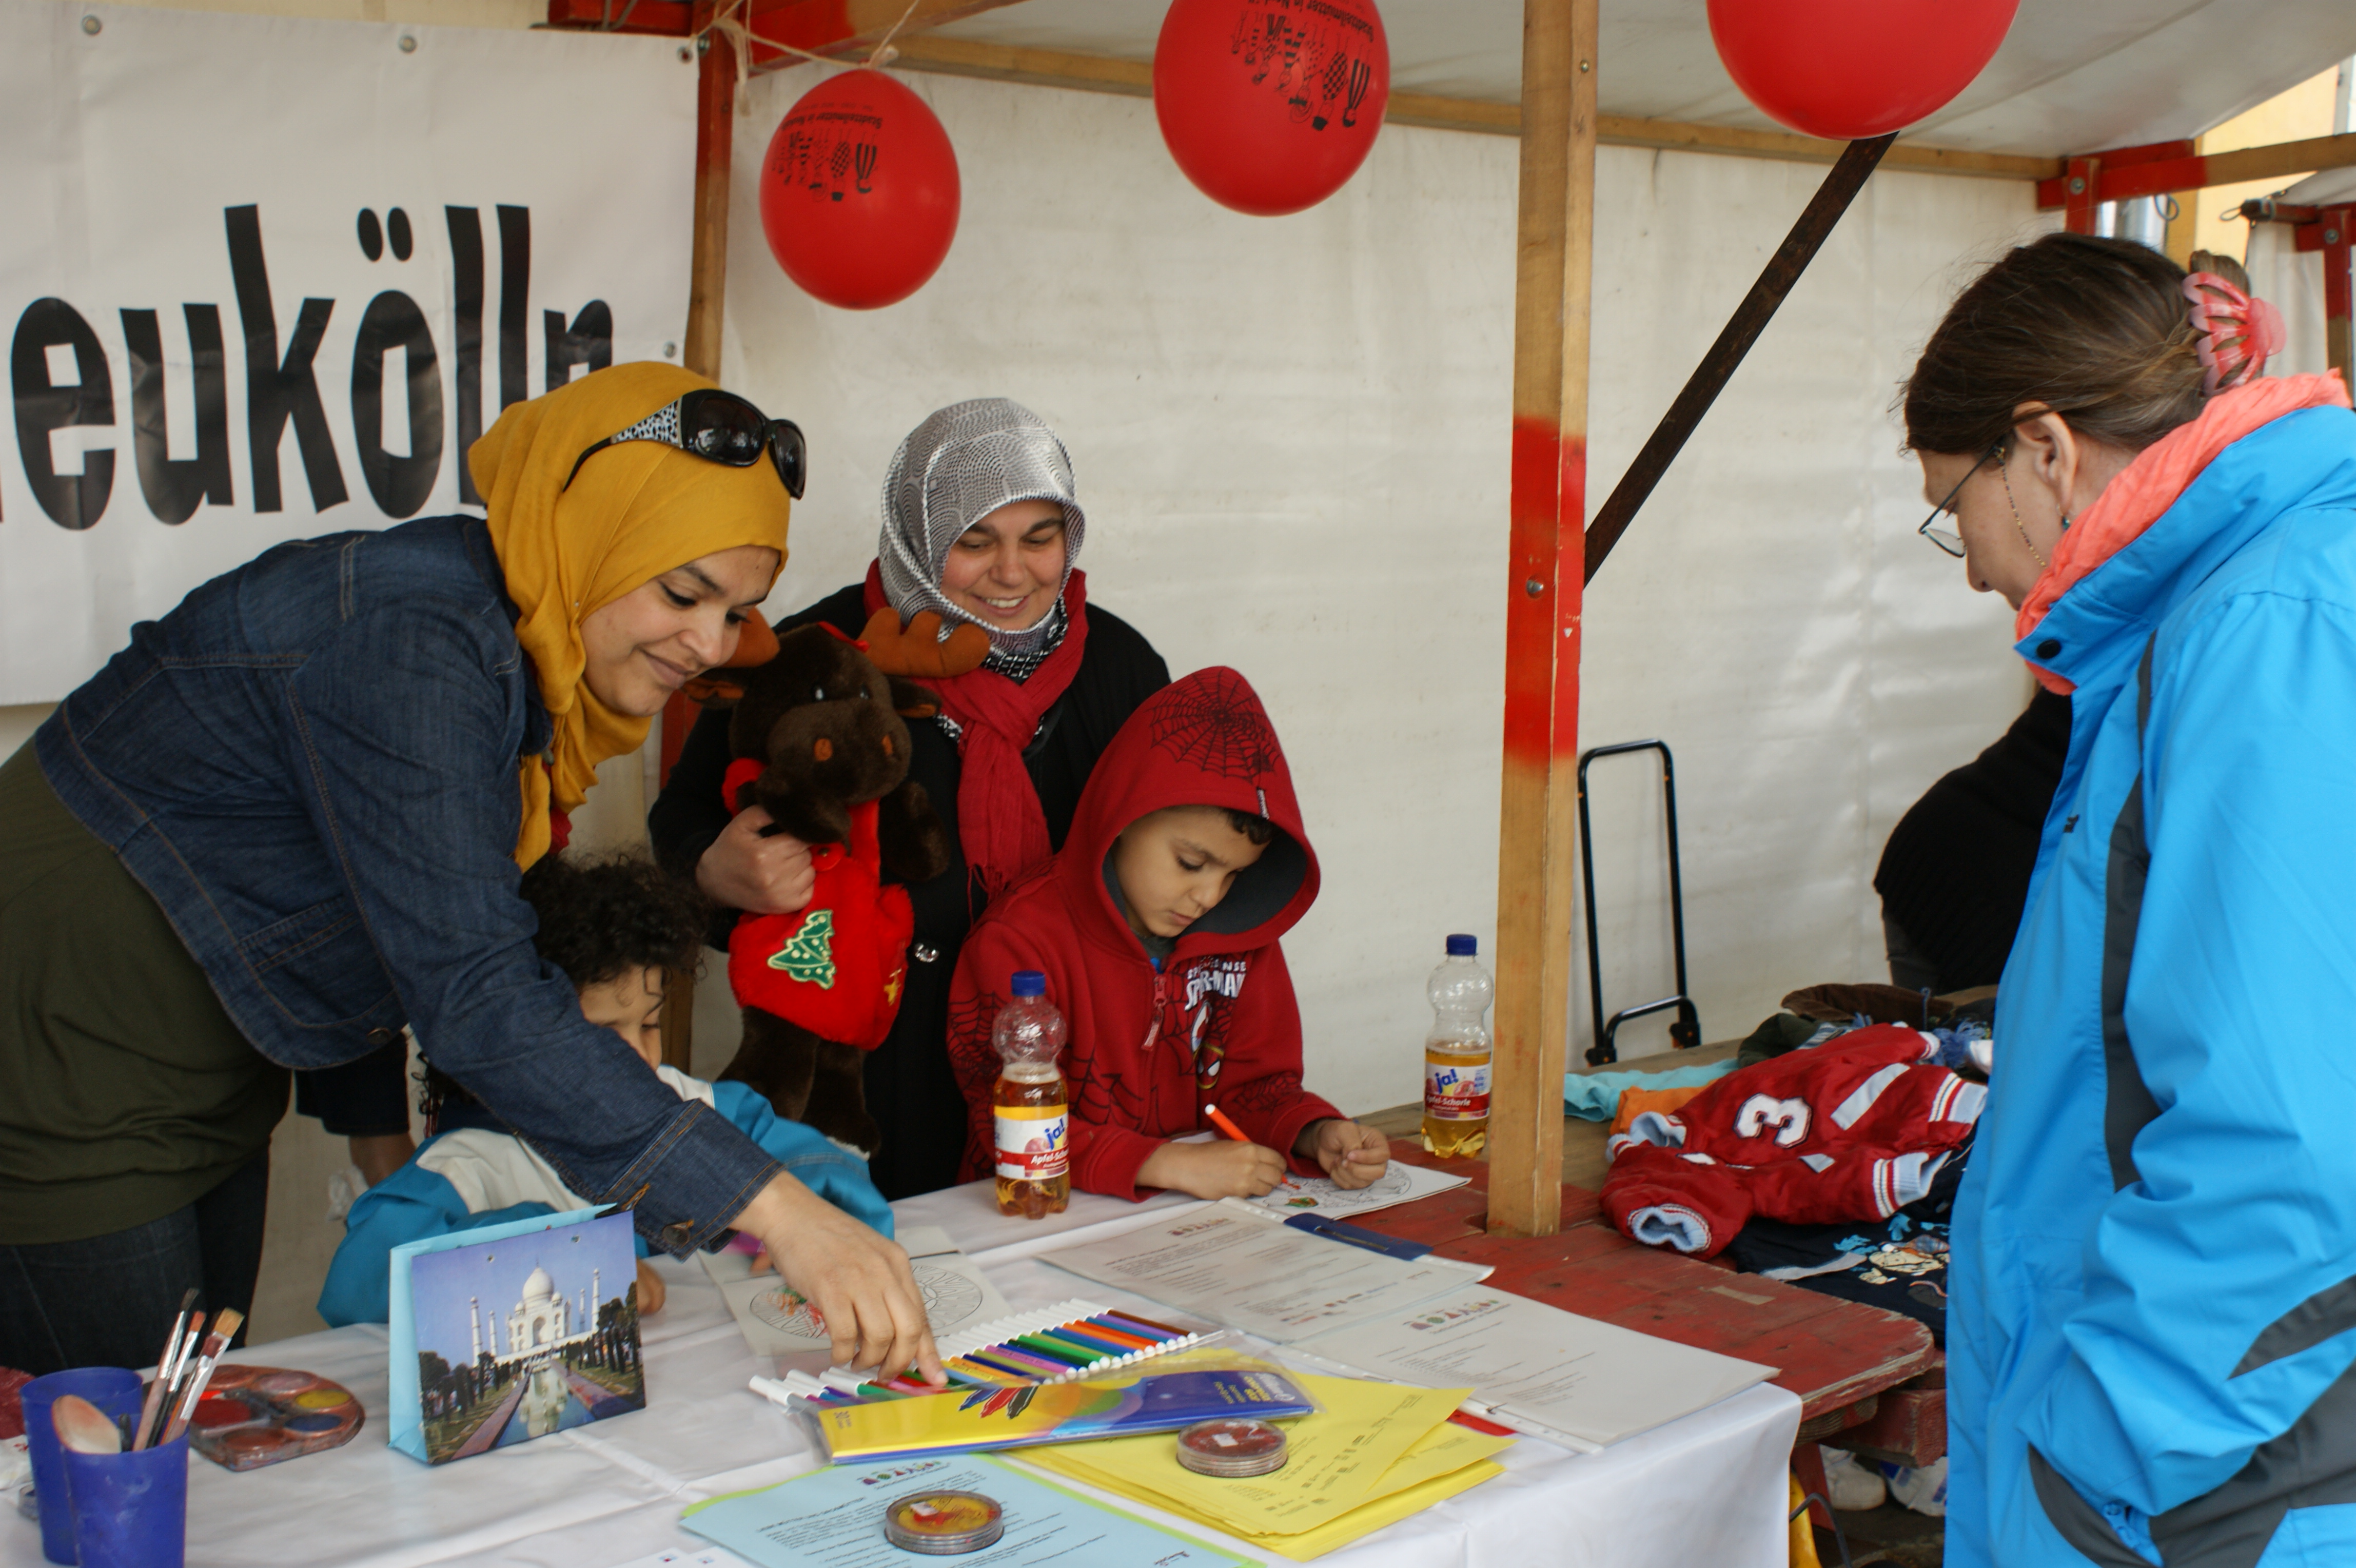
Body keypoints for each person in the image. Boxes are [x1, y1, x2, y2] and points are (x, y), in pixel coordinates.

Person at [0, 364, 939, 1385]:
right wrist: (774, 1210)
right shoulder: (417, 646)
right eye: (682, 592)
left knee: (187, 1415)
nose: (709, 642)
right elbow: (477, 991)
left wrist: (376, 1151)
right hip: (70, 1045)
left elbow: (362, 892)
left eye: (738, 610)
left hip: (213, 1052)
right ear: (589, 529)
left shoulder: (508, 636)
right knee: (126, 1443)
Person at [1903, 234, 2356, 1565]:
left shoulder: (2265, 625)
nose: (1974, 564)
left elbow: (2289, 1149)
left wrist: (2095, 1449)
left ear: (2042, 447)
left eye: (1953, 509)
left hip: (2210, 1480)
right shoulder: (2233, 606)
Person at [651, 398, 1170, 1200]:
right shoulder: (818, 656)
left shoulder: (1121, 669)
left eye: (1041, 539)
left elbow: (1171, 843)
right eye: (973, 542)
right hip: (875, 1064)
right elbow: (678, 825)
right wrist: (714, 871)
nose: (1013, 572)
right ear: (916, 539)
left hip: (1059, 1048)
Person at [316, 852, 893, 1327]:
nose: (640, 1057)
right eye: (600, 1037)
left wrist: (812, 1219)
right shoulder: (469, 1166)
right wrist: (570, 1256)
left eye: (649, 1022)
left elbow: (819, 1162)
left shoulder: (688, 1103)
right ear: (527, 1043)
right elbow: (360, 1282)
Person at [944, 666, 1389, 1201]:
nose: (1208, 896)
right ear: (1124, 813)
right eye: (1189, 862)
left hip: (1185, 1230)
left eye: (1233, 876)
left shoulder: (1240, 939)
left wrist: (1315, 1130)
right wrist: (1168, 1164)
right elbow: (1007, 1121)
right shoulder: (1018, 940)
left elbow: (1254, 1089)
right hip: (1034, 1217)